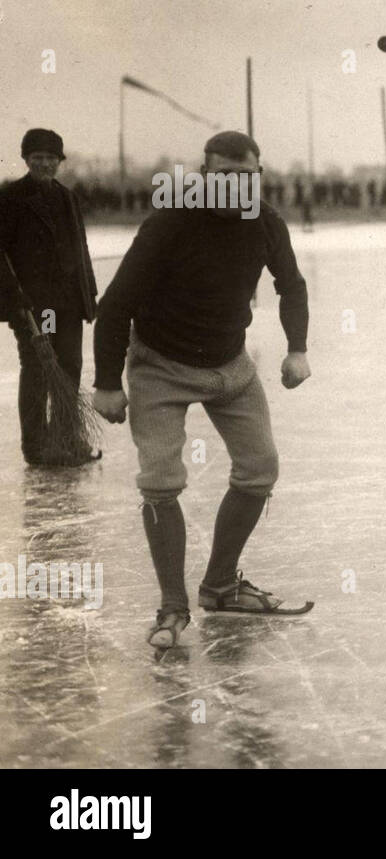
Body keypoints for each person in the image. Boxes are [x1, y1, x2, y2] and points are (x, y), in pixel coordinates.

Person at [91, 131, 311, 649]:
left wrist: (297, 347)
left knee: (260, 469)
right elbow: (116, 303)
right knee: (161, 481)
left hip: (230, 366)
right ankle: (172, 607)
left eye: (248, 177)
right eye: (225, 178)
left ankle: (219, 585)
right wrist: (105, 383)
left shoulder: (268, 222)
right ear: (205, 177)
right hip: (160, 367)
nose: (238, 188)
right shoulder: (170, 222)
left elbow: (292, 284)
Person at [0, 129, 100, 466]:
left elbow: (81, 249)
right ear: (26, 159)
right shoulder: (11, 198)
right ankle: (37, 446)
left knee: (69, 366)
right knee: (40, 368)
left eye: (51, 158)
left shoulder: (67, 198)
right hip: (35, 305)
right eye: (38, 157)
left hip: (68, 303)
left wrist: (90, 294)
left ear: (60, 161)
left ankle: (67, 437)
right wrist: (15, 299)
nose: (45, 163)